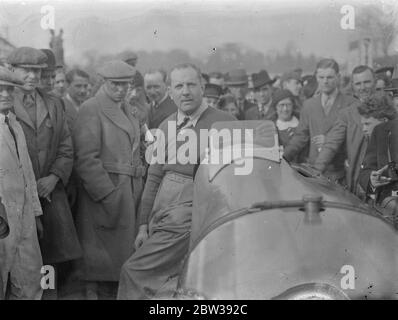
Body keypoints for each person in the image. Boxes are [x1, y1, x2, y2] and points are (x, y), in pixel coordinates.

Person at [117, 63, 235, 300]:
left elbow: (235, 180)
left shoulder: (225, 123)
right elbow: (154, 178)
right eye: (178, 86)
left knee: (135, 272)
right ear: (170, 91)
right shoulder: (166, 125)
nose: (185, 91)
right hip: (163, 213)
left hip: (193, 216)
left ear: (202, 87)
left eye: (191, 84)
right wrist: (142, 225)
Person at [8, 47, 81, 299]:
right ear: (11, 70)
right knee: (18, 262)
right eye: (26, 70)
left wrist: (54, 178)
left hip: (50, 196)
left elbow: (66, 147)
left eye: (37, 71)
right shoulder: (4, 104)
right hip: (17, 200)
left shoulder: (54, 103)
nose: (32, 76)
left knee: (51, 259)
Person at [73, 60, 145, 299]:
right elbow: (85, 159)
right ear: (104, 82)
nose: (121, 89)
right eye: (115, 84)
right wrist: (107, 194)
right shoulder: (91, 108)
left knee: (121, 266)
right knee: (102, 270)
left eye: (125, 84)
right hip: (106, 196)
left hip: (129, 191)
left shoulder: (127, 108)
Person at [0, 66, 43, 299]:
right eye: (0, 89)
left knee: (30, 279)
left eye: (9, 89)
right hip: (2, 216)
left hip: (24, 214)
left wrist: (35, 213)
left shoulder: (15, 125)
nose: (5, 94)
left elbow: (28, 174)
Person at [283, 59, 357, 182]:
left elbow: (353, 141)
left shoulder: (350, 104)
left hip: (338, 174)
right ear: (316, 78)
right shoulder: (309, 105)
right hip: (313, 173)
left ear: (338, 77)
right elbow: (300, 137)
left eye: (329, 77)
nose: (325, 81)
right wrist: (283, 157)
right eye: (321, 77)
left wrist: (328, 140)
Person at [314, 65, 378, 194]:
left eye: (367, 82)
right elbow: (331, 144)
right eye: (358, 84)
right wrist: (314, 172)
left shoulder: (388, 109)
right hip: (358, 183)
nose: (363, 87)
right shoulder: (347, 114)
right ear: (353, 87)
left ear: (375, 82)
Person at [359, 100, 398, 205]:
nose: (363, 129)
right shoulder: (374, 141)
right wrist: (371, 180)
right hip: (385, 205)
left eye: (367, 124)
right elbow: (365, 171)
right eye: (362, 124)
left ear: (385, 121)